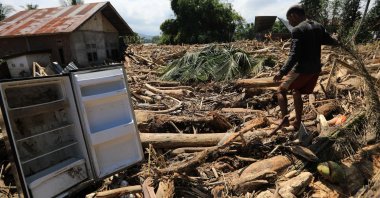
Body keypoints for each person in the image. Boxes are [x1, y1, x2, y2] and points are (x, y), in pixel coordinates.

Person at [273, 5, 337, 131]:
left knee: (280, 91)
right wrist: (339, 40)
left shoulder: (297, 30)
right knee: (297, 91)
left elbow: (294, 55)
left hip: (302, 69)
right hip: (315, 70)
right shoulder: (318, 26)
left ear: (294, 16)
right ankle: (297, 122)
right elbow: (330, 41)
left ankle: (285, 121)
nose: (290, 23)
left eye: (289, 20)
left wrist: (282, 72)